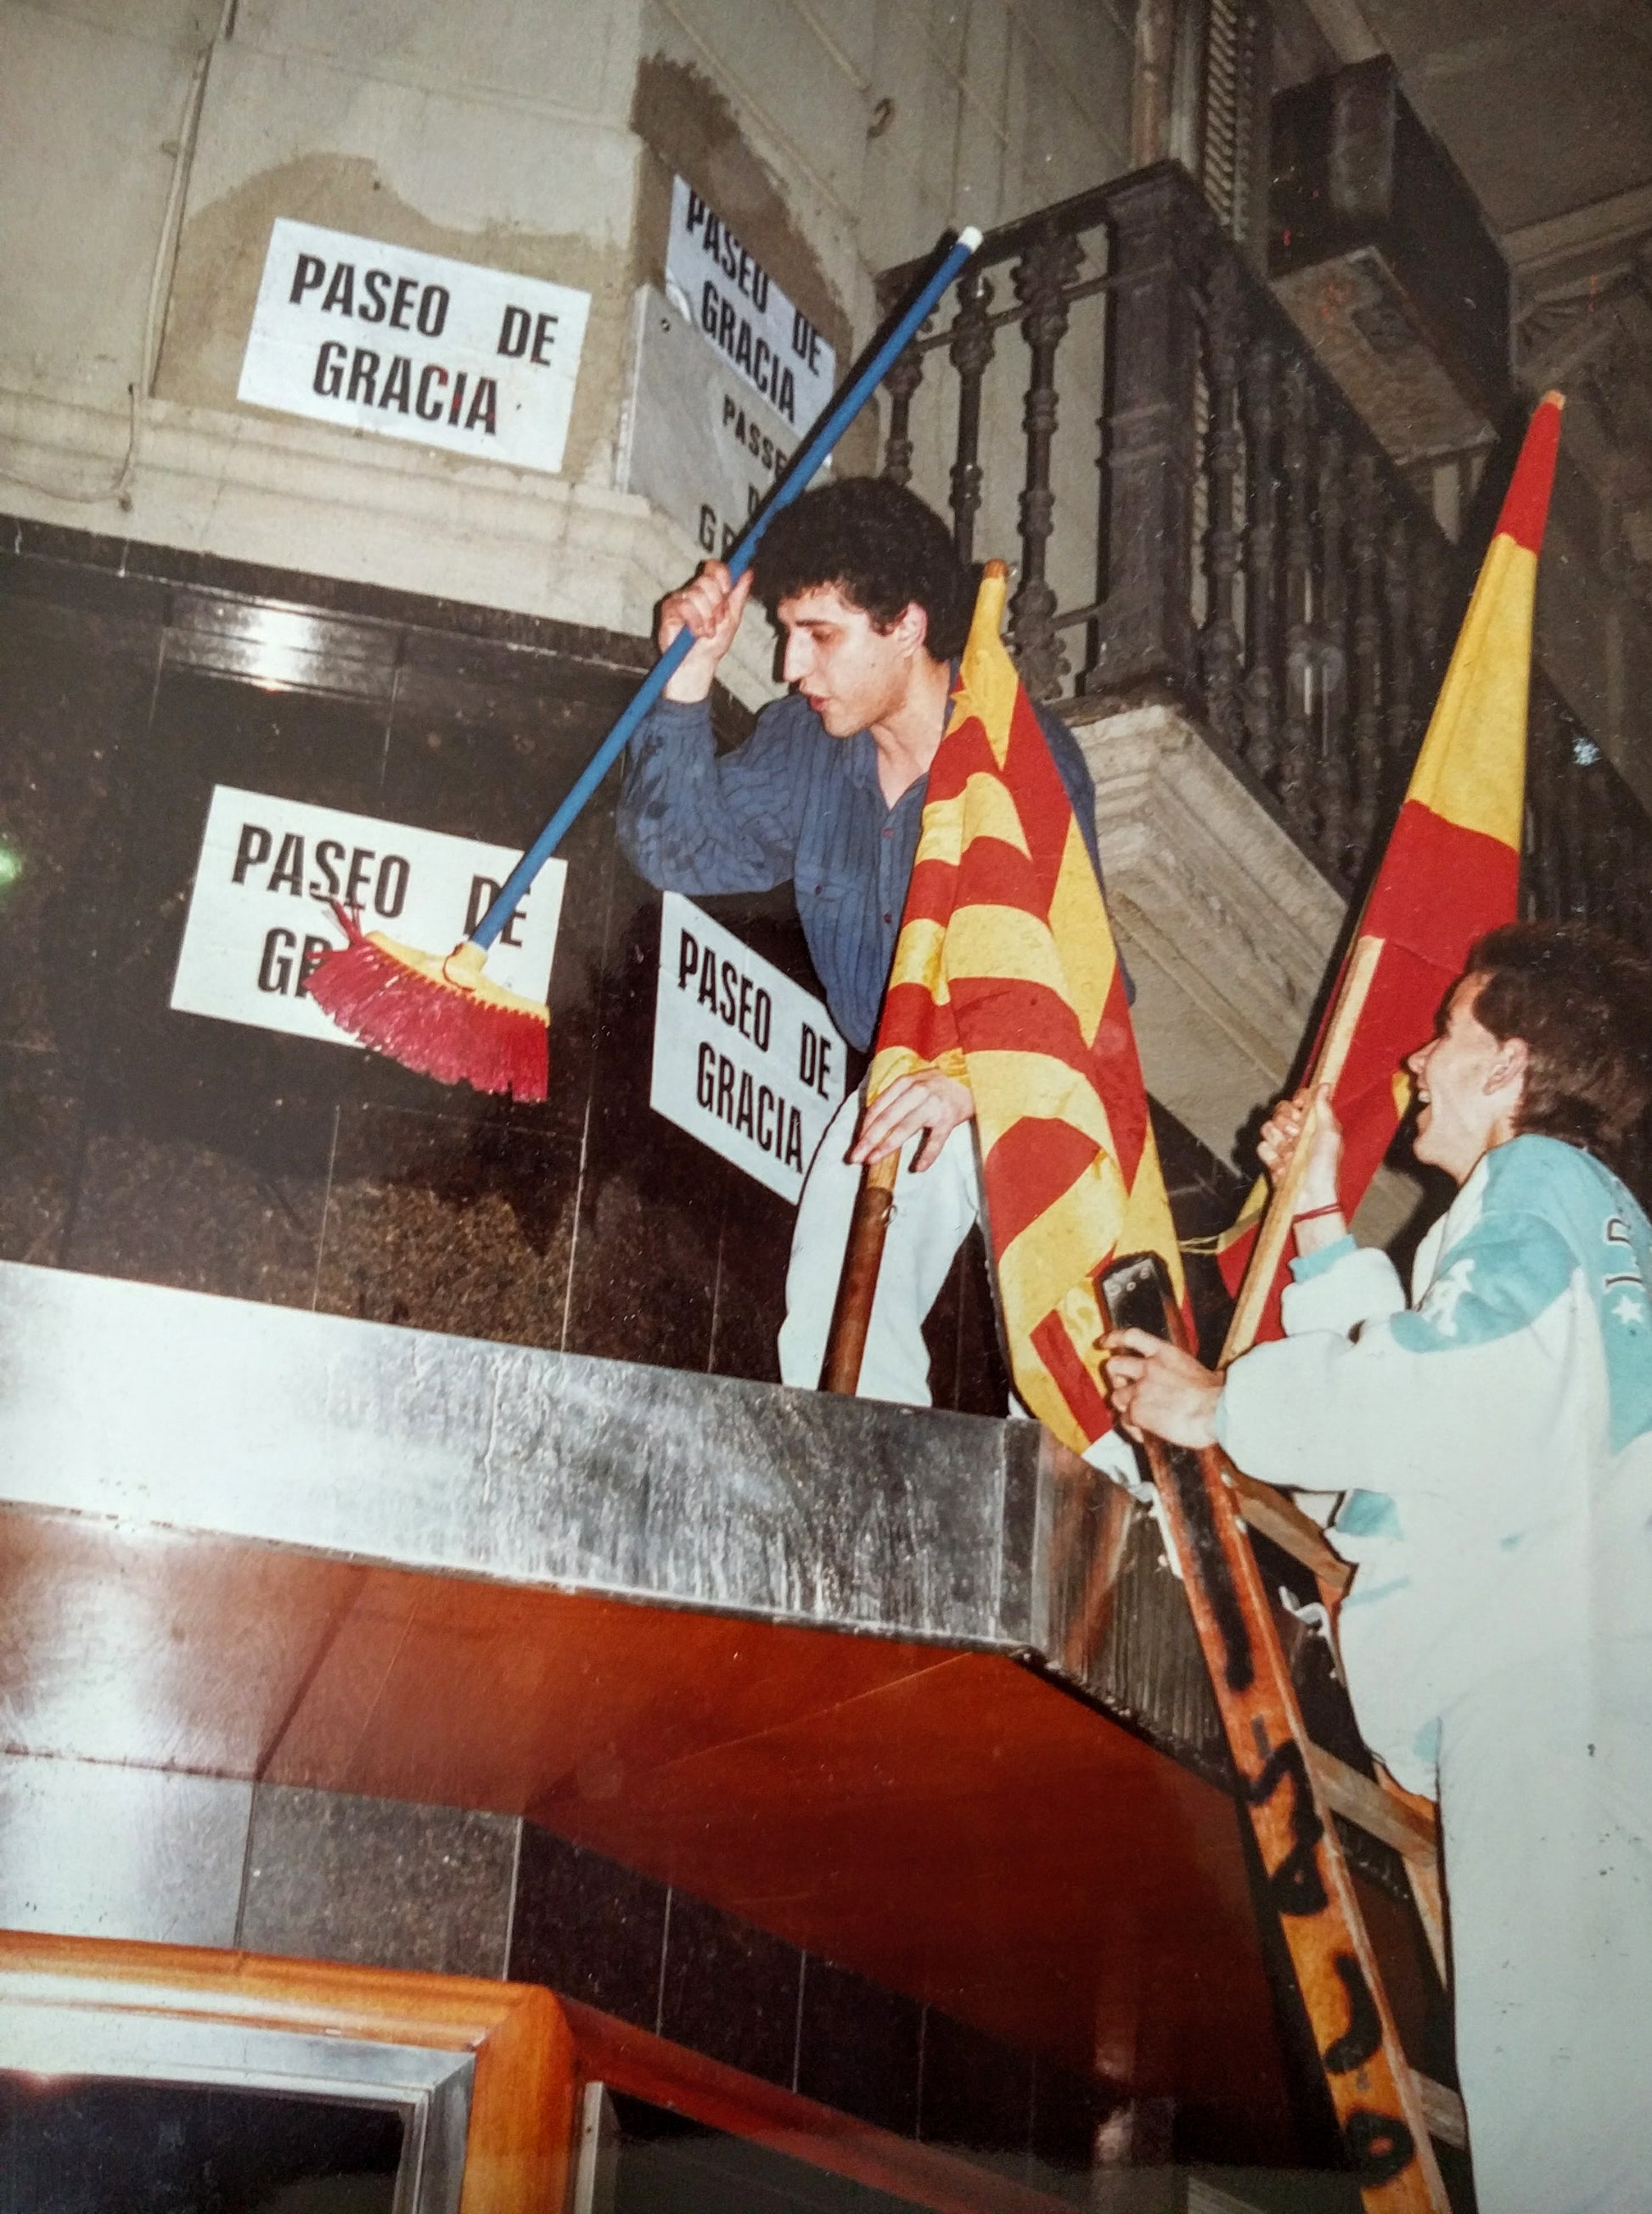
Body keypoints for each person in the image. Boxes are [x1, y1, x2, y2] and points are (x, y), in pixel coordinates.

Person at [1103, 920, 1652, 2214]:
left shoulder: (1531, 1184)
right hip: (1587, 1705)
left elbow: (1450, 1393)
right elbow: (1420, 1436)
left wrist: (1221, 1406)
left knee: (1560, 2139)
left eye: (1445, 1032)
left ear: (1508, 1068)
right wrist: (1317, 1212)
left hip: (1546, 1706)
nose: (1412, 1058)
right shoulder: (1588, 1226)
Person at [618, 476, 1111, 1406]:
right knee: (828, 1327)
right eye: (785, 633)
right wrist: (686, 680)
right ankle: (871, 1498)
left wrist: (968, 1083)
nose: (791, 666)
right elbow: (671, 849)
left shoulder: (1020, 755)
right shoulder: (804, 747)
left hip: (1026, 1076)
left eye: (820, 635)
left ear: (907, 627)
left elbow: (1071, 979)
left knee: (1072, 1366)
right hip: (895, 1075)